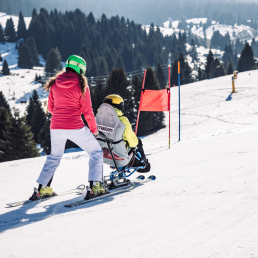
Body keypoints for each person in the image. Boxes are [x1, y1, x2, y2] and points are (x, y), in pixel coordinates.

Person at [30, 55, 108, 201]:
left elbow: (51, 108)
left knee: (54, 156)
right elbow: (87, 111)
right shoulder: (81, 85)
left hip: (56, 127)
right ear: (81, 68)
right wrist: (94, 130)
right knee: (96, 151)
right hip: (74, 126)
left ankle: (41, 189)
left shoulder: (54, 84)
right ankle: (95, 186)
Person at [102, 94, 150, 172]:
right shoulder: (122, 120)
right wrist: (136, 144)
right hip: (120, 155)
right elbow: (132, 141)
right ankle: (143, 165)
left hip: (105, 154)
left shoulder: (98, 119)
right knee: (137, 142)